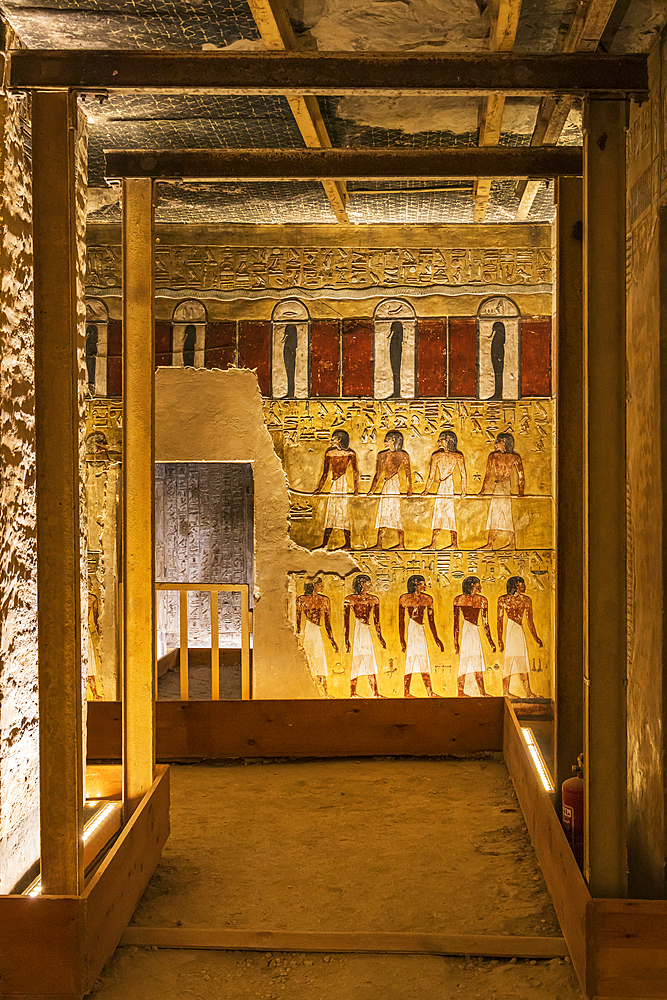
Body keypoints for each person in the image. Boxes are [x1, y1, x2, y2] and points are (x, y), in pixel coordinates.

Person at [497, 576, 542, 698]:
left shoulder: (526, 600)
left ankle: (528, 692)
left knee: (522, 660)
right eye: (522, 584)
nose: (524, 586)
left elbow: (529, 622)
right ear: (516, 586)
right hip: (511, 630)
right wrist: (500, 640)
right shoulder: (503, 599)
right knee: (509, 661)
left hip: (518, 630)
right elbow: (499, 621)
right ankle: (505, 692)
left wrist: (536, 637)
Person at [314, 428, 359, 550]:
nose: (331, 440)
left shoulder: (350, 454)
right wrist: (319, 488)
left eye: (333, 438)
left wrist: (356, 489)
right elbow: (325, 473)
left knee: (343, 513)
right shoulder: (329, 453)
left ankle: (348, 544)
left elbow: (355, 472)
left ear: (339, 440)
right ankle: (325, 544)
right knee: (331, 512)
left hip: (342, 484)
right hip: (335, 484)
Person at [421, 430, 467, 551]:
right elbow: (431, 476)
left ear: (447, 441)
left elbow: (463, 474)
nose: (438, 442)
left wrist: (464, 491)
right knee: (439, 514)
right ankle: (434, 544)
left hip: (448, 486)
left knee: (449, 514)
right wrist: (426, 490)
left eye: (441, 439)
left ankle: (454, 544)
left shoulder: (457, 456)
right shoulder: (436, 456)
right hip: (443, 486)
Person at [399, 575, 443, 698]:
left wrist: (436, 638)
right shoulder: (404, 598)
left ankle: (429, 692)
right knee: (410, 660)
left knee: (424, 660)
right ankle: (406, 692)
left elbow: (431, 620)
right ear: (416, 584)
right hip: (412, 629)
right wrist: (402, 639)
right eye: (423, 583)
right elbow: (401, 620)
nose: (425, 585)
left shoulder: (427, 599)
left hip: (421, 630)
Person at [368, 430, 412, 550]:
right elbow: (377, 475)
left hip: (394, 485)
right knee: (384, 513)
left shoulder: (403, 455)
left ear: (394, 441)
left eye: (387, 440)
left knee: (394, 513)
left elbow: (408, 474)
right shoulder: (382, 455)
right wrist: (372, 490)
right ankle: (379, 544)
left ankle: (401, 544)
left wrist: (410, 490)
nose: (385, 442)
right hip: (387, 485)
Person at [480, 432, 525, 550]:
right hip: (498, 488)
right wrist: (483, 491)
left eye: (498, 441)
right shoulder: (493, 456)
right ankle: (490, 544)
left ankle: (512, 544)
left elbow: (521, 475)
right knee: (494, 515)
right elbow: (488, 475)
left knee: (506, 515)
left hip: (506, 488)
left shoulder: (514, 457)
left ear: (504, 443)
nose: (495, 444)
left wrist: (521, 491)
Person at [344, 574, 386, 698]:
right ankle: (352, 693)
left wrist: (380, 637)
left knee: (369, 660)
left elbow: (376, 621)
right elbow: (346, 622)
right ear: (362, 584)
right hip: (358, 630)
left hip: (366, 630)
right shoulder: (350, 599)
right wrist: (346, 640)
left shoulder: (373, 600)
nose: (371, 585)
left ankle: (375, 693)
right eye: (369, 583)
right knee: (356, 660)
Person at [453, 576, 496, 697]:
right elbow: (456, 623)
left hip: (474, 631)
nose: (480, 586)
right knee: (464, 662)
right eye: (478, 584)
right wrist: (456, 642)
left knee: (478, 661)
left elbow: (485, 623)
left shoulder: (482, 600)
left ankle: (482, 692)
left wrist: (491, 642)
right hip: (467, 631)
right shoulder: (459, 599)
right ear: (472, 585)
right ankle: (460, 691)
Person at [296, 578, 338, 697]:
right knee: (308, 660)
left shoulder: (324, 600)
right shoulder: (301, 600)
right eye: (320, 585)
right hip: (308, 631)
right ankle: (309, 691)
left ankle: (324, 692)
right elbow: (298, 622)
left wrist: (332, 640)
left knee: (320, 661)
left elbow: (327, 623)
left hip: (317, 631)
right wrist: (298, 639)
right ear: (314, 585)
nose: (322, 586)